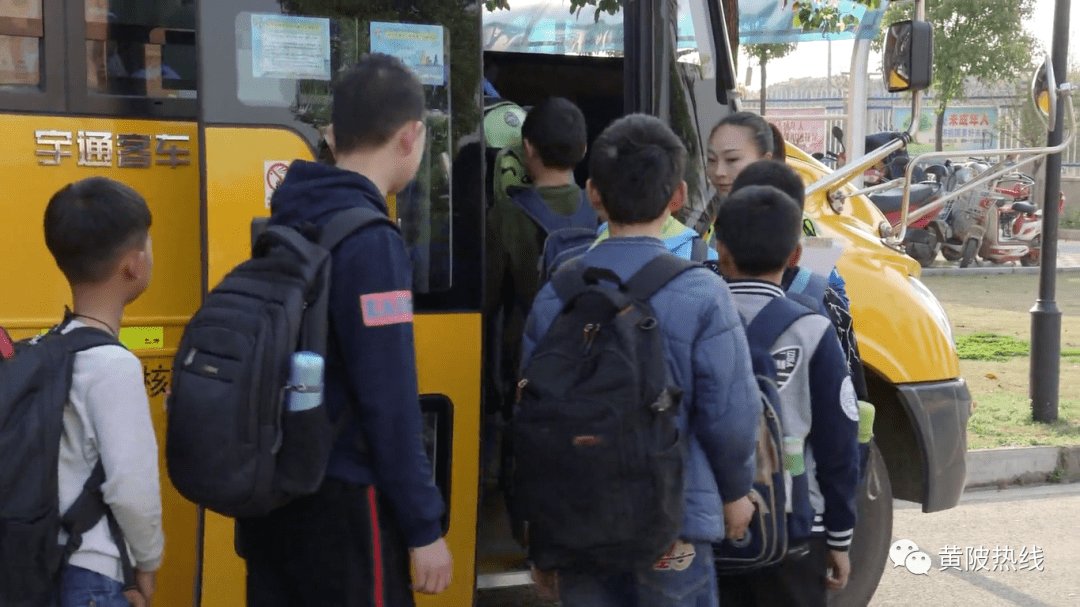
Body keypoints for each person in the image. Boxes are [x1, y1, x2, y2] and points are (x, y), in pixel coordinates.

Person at [234, 54, 452, 606]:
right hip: (345, 507)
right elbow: (390, 398)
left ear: (332, 136)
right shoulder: (372, 240)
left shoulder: (288, 219)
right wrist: (424, 526)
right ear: (411, 136)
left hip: (275, 491)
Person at [522, 113, 760, 607]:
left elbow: (530, 415)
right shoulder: (704, 292)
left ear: (593, 194)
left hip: (579, 519)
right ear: (677, 196)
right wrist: (735, 491)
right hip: (675, 520)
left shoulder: (556, 293)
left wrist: (537, 532)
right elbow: (730, 412)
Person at [712, 185, 860, 607]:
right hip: (796, 525)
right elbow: (838, 442)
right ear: (796, 256)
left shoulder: (697, 320)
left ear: (721, 252)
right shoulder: (812, 329)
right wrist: (839, 536)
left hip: (710, 521)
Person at [43, 177, 163, 607]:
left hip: (46, 562)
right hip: (92, 576)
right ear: (134, 264)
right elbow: (131, 488)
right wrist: (147, 563)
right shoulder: (114, 366)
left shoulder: (48, 347)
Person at [728, 160, 868, 401]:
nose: (720, 171)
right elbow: (849, 401)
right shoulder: (821, 308)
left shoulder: (705, 296)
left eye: (731, 160)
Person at [707, 111, 850, 307]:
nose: (719, 172)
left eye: (732, 159)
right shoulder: (713, 220)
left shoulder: (801, 224)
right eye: (712, 160)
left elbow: (831, 292)